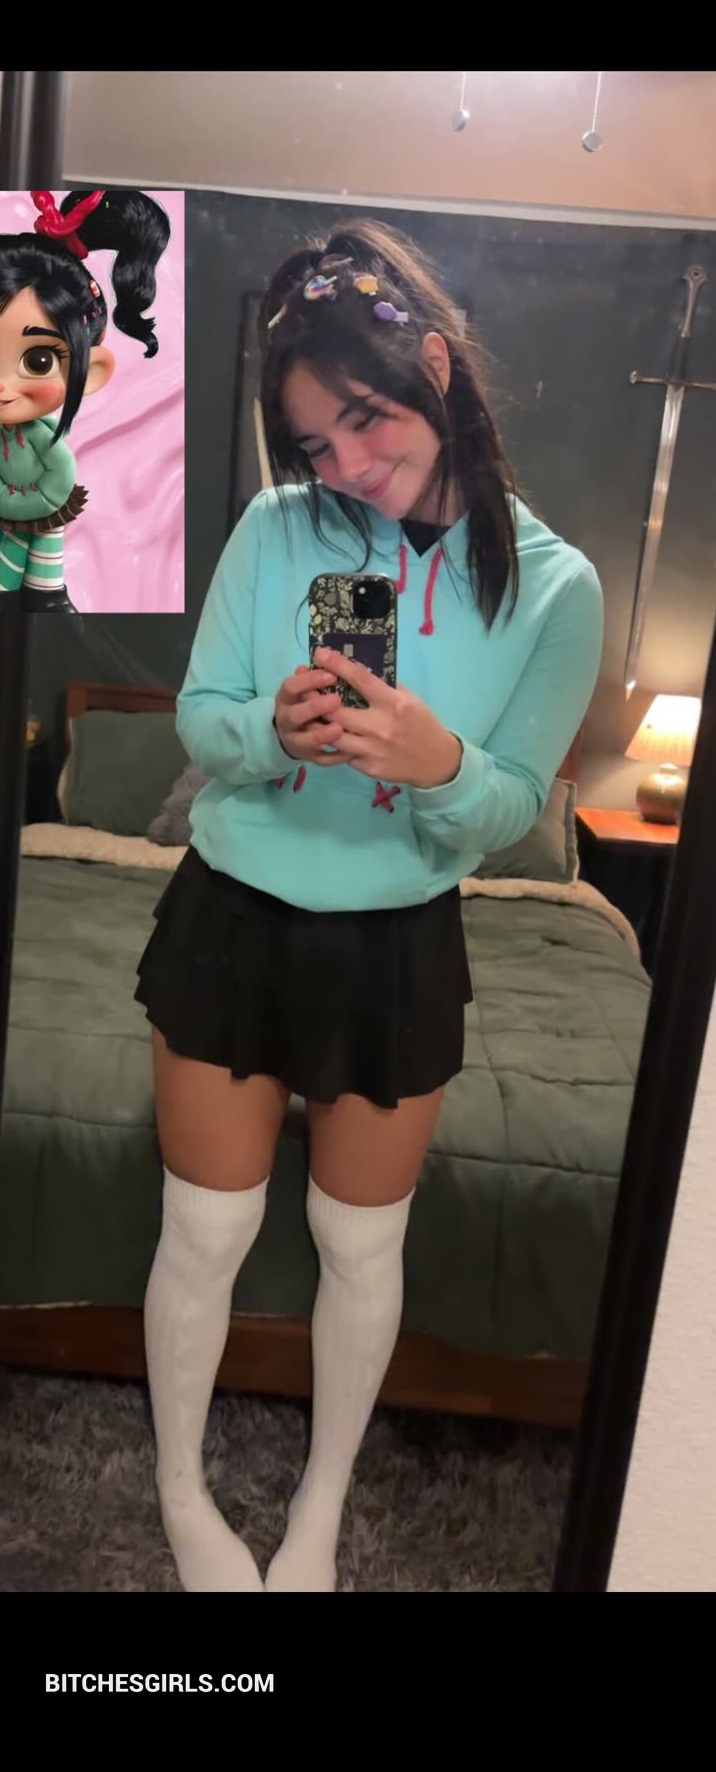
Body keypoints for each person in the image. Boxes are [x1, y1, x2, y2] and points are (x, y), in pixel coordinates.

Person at [135, 217, 604, 1592]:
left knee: (358, 1243)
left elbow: (508, 807)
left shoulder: (555, 588)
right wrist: (268, 731)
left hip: (399, 940)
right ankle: (176, 1488)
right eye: (312, 443)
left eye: (361, 419)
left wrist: (440, 763)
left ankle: (321, 1503)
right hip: (234, 912)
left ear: (435, 370)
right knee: (205, 1230)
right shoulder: (277, 529)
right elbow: (200, 716)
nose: (342, 466)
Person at [0, 187, 170, 613]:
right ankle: (9, 595)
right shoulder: (1, 436)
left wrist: (29, 502)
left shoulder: (42, 436)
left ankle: (39, 594)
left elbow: (61, 472)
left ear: (92, 372)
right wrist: (1, 498)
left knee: (41, 547)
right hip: (12, 501)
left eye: (38, 360)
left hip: (43, 502)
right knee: (17, 544)